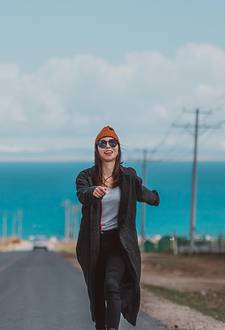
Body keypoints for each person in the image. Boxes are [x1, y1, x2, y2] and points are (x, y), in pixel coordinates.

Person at [75, 125, 160, 330]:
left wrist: (154, 198)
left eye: (112, 143)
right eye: (102, 143)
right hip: (93, 244)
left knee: (112, 285)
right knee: (97, 292)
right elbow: (82, 193)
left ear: (118, 148)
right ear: (96, 149)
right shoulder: (85, 176)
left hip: (119, 243)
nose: (108, 146)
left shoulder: (128, 177)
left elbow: (142, 192)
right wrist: (93, 191)